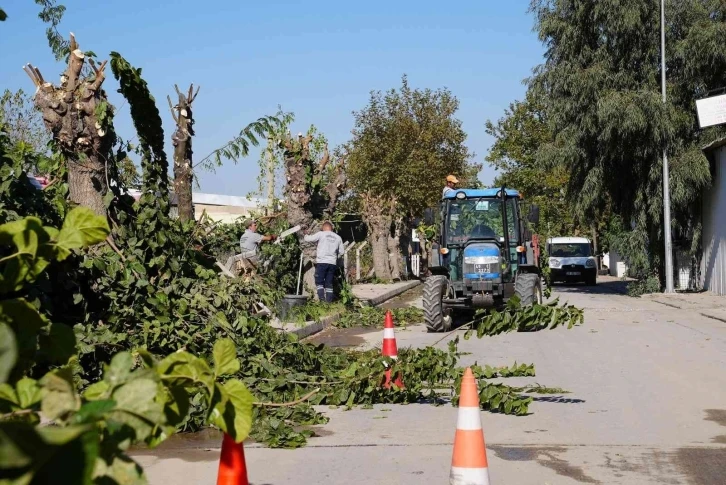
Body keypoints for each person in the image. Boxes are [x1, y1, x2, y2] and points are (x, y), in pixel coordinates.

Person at [303, 221, 345, 303]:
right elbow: (342, 252)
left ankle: (322, 299)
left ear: (323, 228)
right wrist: (335, 258)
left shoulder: (321, 234)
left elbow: (309, 239)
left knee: (319, 281)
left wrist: (305, 234)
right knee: (329, 282)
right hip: (332, 263)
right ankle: (329, 301)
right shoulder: (338, 237)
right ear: (331, 228)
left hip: (322, 262)